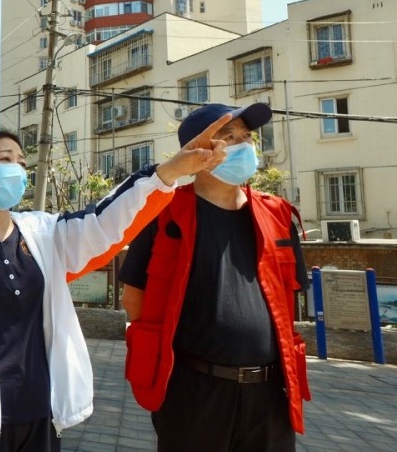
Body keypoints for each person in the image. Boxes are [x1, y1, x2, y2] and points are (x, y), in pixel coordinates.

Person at [0, 116, 232, 452]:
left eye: (22, 163)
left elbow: (102, 222)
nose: (18, 170)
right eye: (5, 159)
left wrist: (169, 171)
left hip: (40, 413)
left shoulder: (43, 232)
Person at [119, 102, 311, 452]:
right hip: (193, 392)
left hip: (270, 391)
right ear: (197, 150)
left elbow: (290, 297)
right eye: (228, 136)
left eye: (246, 137)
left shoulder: (277, 213)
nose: (243, 145)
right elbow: (135, 299)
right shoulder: (164, 212)